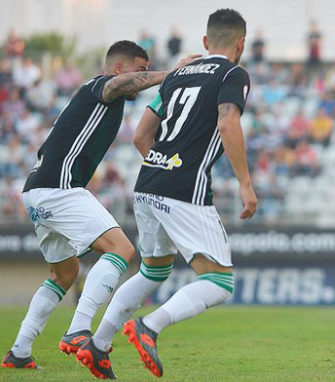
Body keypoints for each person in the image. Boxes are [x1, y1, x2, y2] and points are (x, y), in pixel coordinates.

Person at [77, 9, 256, 379]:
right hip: (183, 187)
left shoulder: (177, 75)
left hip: (148, 182)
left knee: (152, 270)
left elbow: (142, 135)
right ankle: (149, 327)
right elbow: (227, 121)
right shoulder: (233, 74)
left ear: (206, 43)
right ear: (240, 44)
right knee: (219, 282)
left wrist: (162, 166)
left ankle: (97, 345)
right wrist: (245, 184)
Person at [1, 41, 197, 371]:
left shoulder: (99, 97)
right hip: (58, 187)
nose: (144, 75)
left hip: (37, 190)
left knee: (65, 273)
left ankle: (19, 351)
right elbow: (119, 84)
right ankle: (78, 330)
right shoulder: (101, 86)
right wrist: (173, 73)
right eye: (141, 68)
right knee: (121, 248)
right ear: (118, 67)